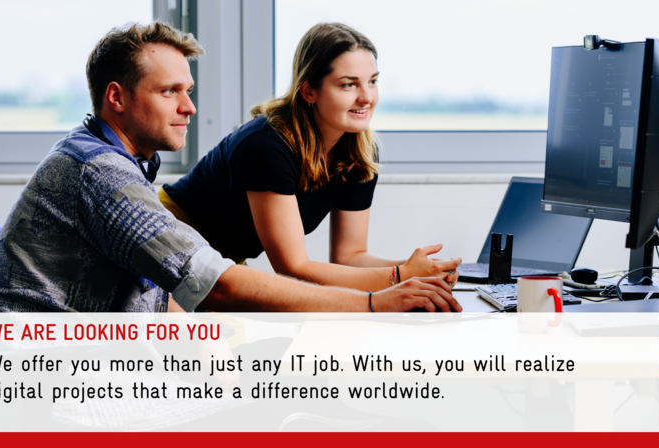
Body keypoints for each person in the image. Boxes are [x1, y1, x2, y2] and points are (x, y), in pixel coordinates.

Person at [0, 22, 461, 314]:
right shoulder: (102, 172)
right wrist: (380, 297)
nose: (190, 107)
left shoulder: (117, 160)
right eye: (170, 91)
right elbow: (219, 282)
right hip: (47, 372)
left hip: (101, 333)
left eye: (188, 90)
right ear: (117, 98)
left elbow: (166, 283)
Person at [160, 22, 461, 294]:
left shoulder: (360, 153)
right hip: (171, 238)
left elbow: (350, 256)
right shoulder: (266, 145)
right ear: (308, 91)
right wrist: (400, 276)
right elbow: (292, 268)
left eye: (372, 81)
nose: (367, 97)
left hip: (221, 257)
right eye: (348, 84)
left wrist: (418, 270)